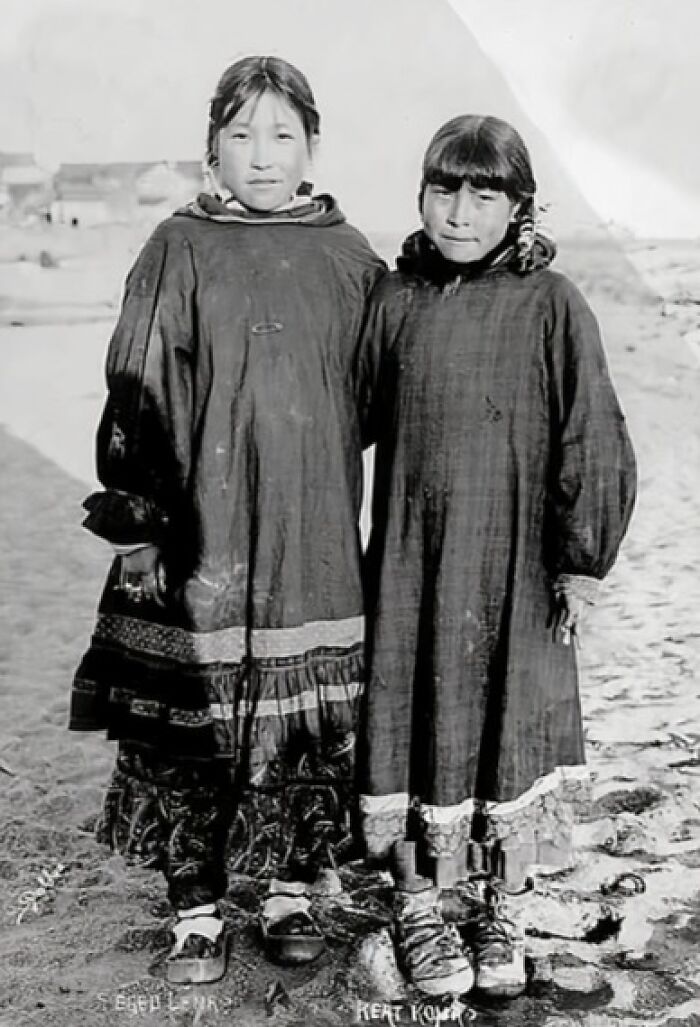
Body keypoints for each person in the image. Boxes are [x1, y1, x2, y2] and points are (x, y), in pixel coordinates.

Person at [70, 55, 385, 983]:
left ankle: (289, 890)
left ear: (313, 145)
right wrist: (136, 517)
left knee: (305, 723)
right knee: (192, 721)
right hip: (196, 536)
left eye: (282, 134)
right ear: (212, 147)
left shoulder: (349, 256)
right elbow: (137, 383)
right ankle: (196, 906)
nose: (262, 154)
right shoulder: (179, 246)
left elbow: (374, 395)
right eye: (241, 134)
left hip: (309, 534)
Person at [356, 115, 636, 998]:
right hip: (413, 562)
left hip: (516, 566)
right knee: (412, 720)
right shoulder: (394, 298)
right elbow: (344, 415)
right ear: (421, 195)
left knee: (505, 728)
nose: (460, 212)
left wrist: (582, 558)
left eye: (485, 194)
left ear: (520, 205)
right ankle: (417, 904)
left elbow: (592, 431)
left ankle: (496, 904)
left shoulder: (552, 302)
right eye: (444, 190)